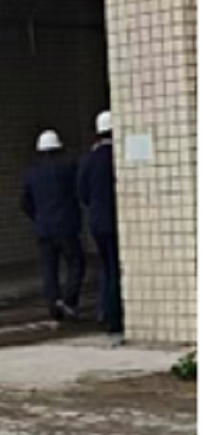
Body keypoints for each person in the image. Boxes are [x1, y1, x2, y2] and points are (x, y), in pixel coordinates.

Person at [21, 130, 85, 321]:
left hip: (44, 228)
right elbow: (79, 191)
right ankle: (69, 300)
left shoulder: (32, 172)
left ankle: (53, 304)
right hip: (66, 226)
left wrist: (38, 217)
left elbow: (24, 202)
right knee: (76, 263)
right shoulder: (69, 167)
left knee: (49, 269)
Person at [78, 110, 123, 345]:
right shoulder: (118, 156)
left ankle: (104, 310)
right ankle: (116, 317)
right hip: (117, 220)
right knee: (116, 268)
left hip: (97, 222)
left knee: (105, 267)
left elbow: (82, 193)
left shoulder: (88, 159)